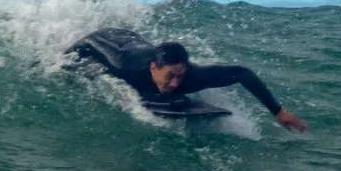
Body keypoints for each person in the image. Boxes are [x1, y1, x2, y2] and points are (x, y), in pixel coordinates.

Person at [65, 28, 309, 131]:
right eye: (170, 77)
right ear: (153, 69)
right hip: (111, 40)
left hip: (139, 43)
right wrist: (61, 58)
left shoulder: (191, 77)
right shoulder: (125, 65)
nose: (175, 84)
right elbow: (91, 42)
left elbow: (241, 72)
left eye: (179, 76)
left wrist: (277, 111)